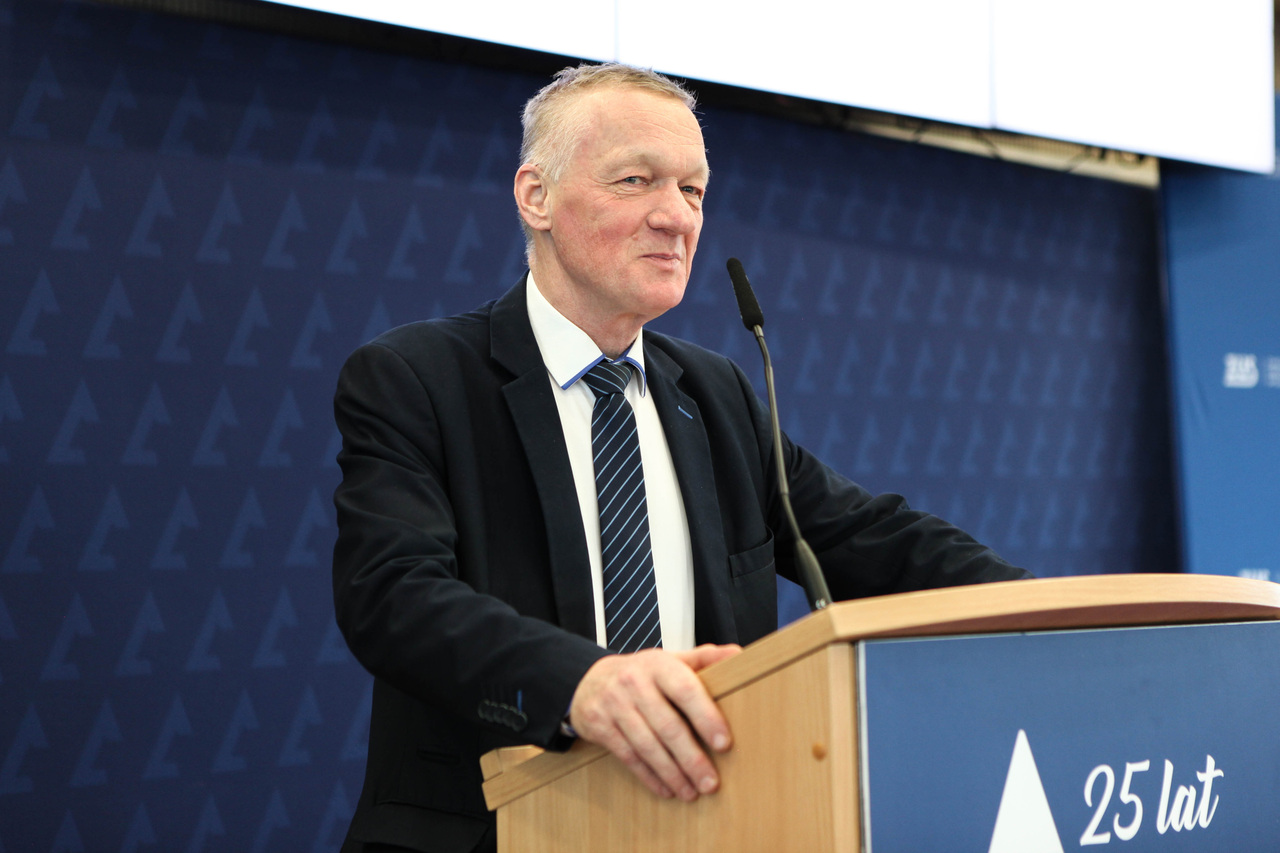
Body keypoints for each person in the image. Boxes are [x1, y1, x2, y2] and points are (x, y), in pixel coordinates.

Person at [331, 62, 1031, 853]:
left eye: (693, 190)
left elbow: (869, 536)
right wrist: (583, 683)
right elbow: (392, 595)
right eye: (636, 180)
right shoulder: (418, 378)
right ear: (536, 196)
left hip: (706, 824)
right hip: (492, 828)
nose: (676, 217)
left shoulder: (714, 391)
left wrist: (1050, 615)